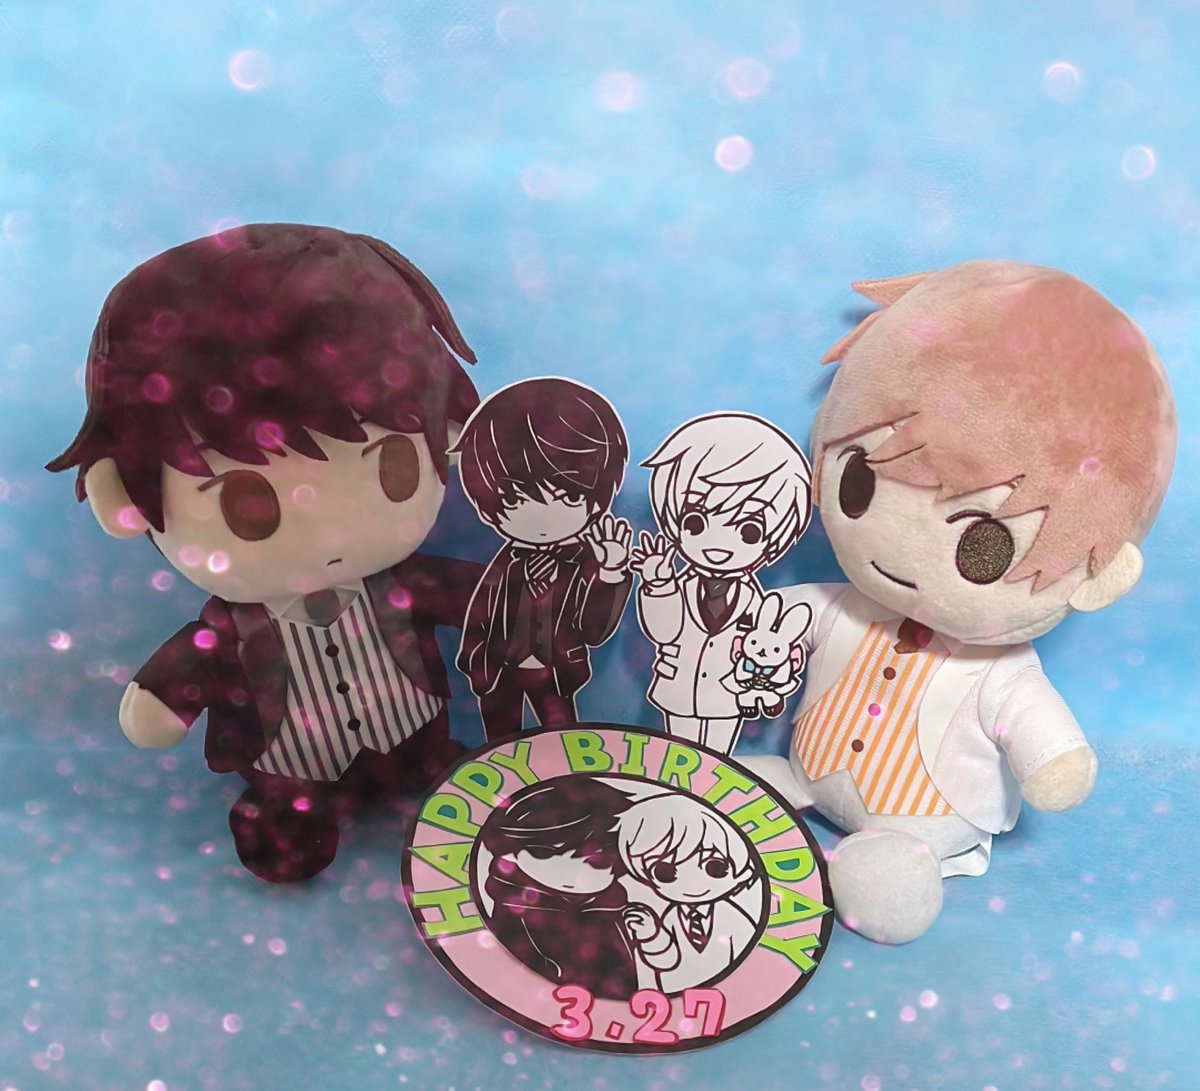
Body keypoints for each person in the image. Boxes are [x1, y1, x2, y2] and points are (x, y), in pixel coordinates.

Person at [745, 260, 1178, 943]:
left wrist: (1053, 760)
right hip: (807, 769)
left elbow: (1035, 728)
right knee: (741, 792)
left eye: (984, 547)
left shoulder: (998, 671)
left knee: (889, 877)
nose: (897, 546)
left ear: (1099, 575)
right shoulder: (843, 605)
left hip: (922, 820)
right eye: (859, 482)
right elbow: (777, 620)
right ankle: (792, 784)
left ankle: (900, 859)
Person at [46, 223, 483, 882]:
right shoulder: (234, 630)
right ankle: (292, 816)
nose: (331, 527)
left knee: (445, 774)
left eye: (391, 467)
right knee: (288, 825)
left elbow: (478, 599)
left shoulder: (405, 586)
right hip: (289, 768)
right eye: (248, 504)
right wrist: (164, 699)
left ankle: (422, 770)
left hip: (414, 734)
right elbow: (186, 673)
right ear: (126, 500)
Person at [455, 378, 633, 740]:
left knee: (564, 742)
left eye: (570, 497)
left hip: (557, 674)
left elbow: (593, 631)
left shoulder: (588, 561)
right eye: (514, 498)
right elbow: (480, 615)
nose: (543, 513)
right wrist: (475, 662)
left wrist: (612, 571)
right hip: (500, 672)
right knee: (497, 747)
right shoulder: (505, 563)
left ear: (596, 499)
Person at [629, 413, 812, 753]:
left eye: (749, 531)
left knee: (716, 766)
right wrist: (659, 584)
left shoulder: (758, 599)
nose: (720, 543)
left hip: (728, 698)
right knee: (671, 759)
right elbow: (663, 631)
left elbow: (768, 642)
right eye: (696, 522)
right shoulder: (677, 584)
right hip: (678, 691)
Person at [480, 777, 639, 999]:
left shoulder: (611, 904)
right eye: (552, 851)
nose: (593, 860)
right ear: (511, 855)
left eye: (607, 846)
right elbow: (523, 989)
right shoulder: (523, 917)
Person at [617, 793, 761, 994]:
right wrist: (651, 936)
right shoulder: (670, 918)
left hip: (728, 997)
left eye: (715, 867)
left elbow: (751, 965)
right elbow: (663, 961)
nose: (693, 883)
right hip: (668, 999)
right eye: (665, 872)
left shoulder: (734, 919)